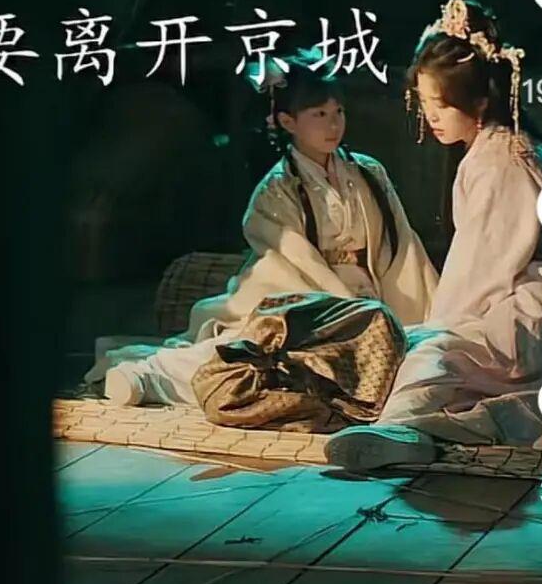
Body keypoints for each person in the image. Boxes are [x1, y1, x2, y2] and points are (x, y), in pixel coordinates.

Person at [327, 0, 542, 473]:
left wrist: (439, 327)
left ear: (481, 100)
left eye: (441, 105)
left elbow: (484, 266)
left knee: (436, 351)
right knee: (437, 351)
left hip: (539, 309)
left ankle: (403, 430)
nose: (431, 117)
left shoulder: (501, 160)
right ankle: (411, 428)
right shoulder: (500, 147)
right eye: (424, 103)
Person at [100, 47, 437, 407]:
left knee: (420, 352)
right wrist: (345, 310)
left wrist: (408, 306)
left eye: (338, 112)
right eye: (319, 114)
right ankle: (148, 376)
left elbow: (399, 244)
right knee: (262, 357)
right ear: (288, 122)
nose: (333, 124)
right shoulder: (277, 189)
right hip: (303, 298)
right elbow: (295, 261)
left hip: (371, 296)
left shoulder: (369, 172)